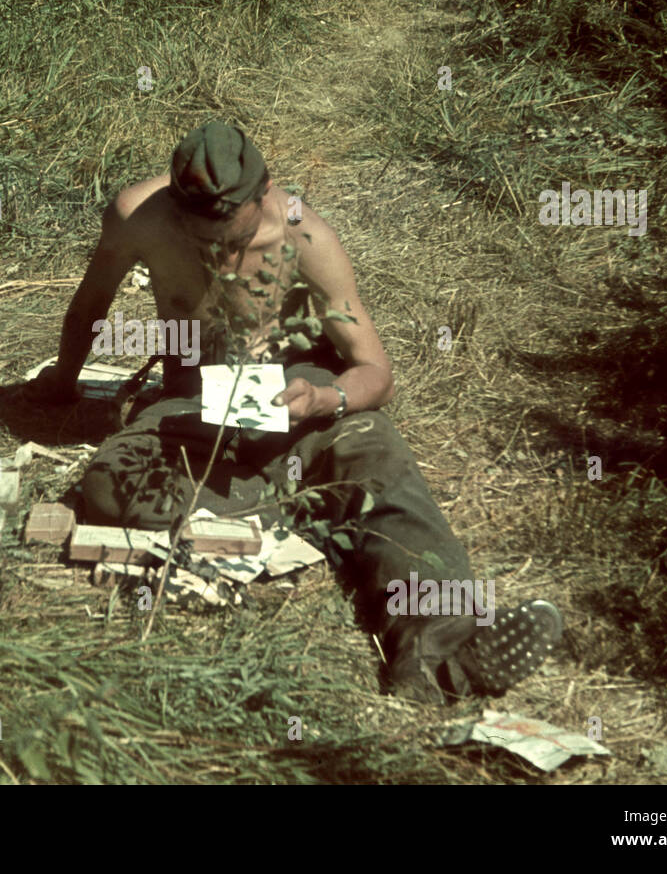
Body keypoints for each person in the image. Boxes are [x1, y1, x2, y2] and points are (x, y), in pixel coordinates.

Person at [27, 122, 561, 704]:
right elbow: (89, 305)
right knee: (109, 482)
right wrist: (61, 382)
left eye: (238, 240)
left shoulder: (306, 236)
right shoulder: (137, 216)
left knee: (382, 469)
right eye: (205, 241)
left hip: (303, 394)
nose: (225, 260)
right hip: (192, 398)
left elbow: (374, 372)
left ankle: (442, 652)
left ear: (266, 194)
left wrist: (324, 400)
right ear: (177, 209)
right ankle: (288, 507)